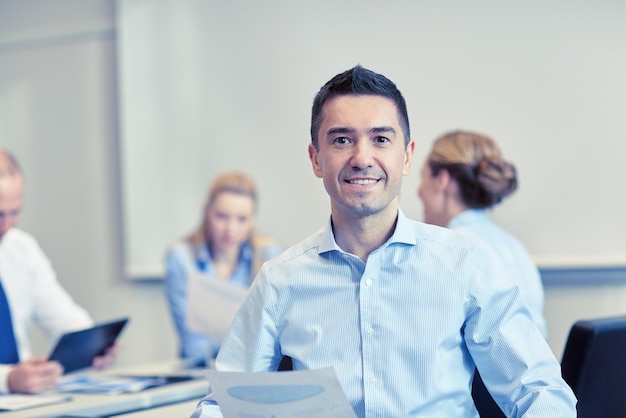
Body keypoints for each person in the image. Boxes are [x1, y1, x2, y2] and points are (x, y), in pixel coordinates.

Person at [191, 65, 576, 417]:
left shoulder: (467, 264)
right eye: (341, 140)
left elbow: (539, 394)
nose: (361, 157)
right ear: (316, 159)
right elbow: (222, 406)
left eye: (380, 139)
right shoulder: (280, 281)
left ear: (407, 157)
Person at [0, 149, 116, 394]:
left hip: (22, 406)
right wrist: (7, 380)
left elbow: (65, 319)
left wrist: (95, 346)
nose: (6, 225)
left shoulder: (21, 249)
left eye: (15, 212)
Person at [417, 130, 547, 337]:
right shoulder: (515, 247)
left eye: (422, 177)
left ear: (442, 179)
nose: (419, 190)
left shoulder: (446, 252)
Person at [164, 171, 283, 367]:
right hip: (200, 372)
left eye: (242, 219)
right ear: (207, 212)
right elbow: (194, 347)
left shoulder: (269, 255)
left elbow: (278, 338)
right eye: (221, 216)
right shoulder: (181, 258)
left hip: (255, 372)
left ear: (253, 219)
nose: (231, 228)